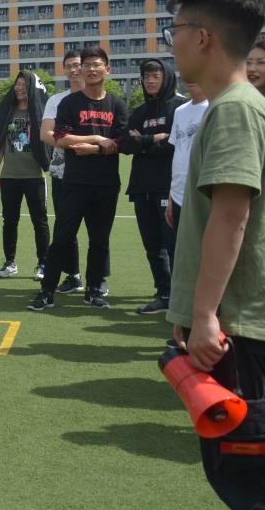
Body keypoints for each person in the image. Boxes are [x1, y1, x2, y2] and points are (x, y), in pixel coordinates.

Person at [164, 0, 265, 510]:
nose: (170, 42)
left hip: (234, 323)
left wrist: (204, 316)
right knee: (245, 469)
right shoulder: (240, 104)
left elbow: (231, 215)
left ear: (203, 37)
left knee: (251, 476)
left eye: (174, 30)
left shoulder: (236, 109)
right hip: (236, 321)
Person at [28, 45, 129, 312]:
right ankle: (47, 292)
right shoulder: (69, 103)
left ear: (107, 69)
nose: (91, 69)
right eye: (87, 65)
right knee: (62, 237)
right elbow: (60, 136)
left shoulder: (117, 104)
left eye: (97, 65)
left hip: (106, 184)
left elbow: (122, 141)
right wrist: (97, 138)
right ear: (81, 70)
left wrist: (96, 149)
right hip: (75, 182)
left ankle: (93, 291)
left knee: (99, 240)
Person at [118, 59, 186, 315]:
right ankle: (164, 293)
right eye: (146, 77)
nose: (150, 81)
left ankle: (180, 296)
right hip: (141, 187)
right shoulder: (140, 111)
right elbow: (126, 145)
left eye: (155, 76)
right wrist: (153, 138)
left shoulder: (180, 108)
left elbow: (174, 146)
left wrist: (143, 143)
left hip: (169, 187)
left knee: (173, 244)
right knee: (152, 246)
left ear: (166, 78)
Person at [0, 69, 49, 280]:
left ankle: (43, 263)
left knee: (39, 221)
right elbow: (0, 146)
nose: (19, 88)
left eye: (24, 84)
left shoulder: (38, 112)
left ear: (31, 88)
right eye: (17, 84)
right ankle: (10, 263)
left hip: (34, 177)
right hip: (10, 177)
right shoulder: (8, 112)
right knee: (9, 222)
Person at [39, 52, 86, 294]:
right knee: (65, 226)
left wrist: (70, 140)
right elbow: (46, 134)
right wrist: (79, 143)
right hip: (62, 172)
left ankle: (98, 280)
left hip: (96, 172)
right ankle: (73, 275)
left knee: (98, 229)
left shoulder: (99, 99)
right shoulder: (56, 100)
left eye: (77, 65)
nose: (73, 70)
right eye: (69, 66)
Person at [165, 81, 207, 237]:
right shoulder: (180, 111)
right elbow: (178, 155)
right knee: (181, 248)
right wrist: (171, 196)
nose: (190, 79)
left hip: (203, 195)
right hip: (178, 196)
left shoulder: (216, 108)